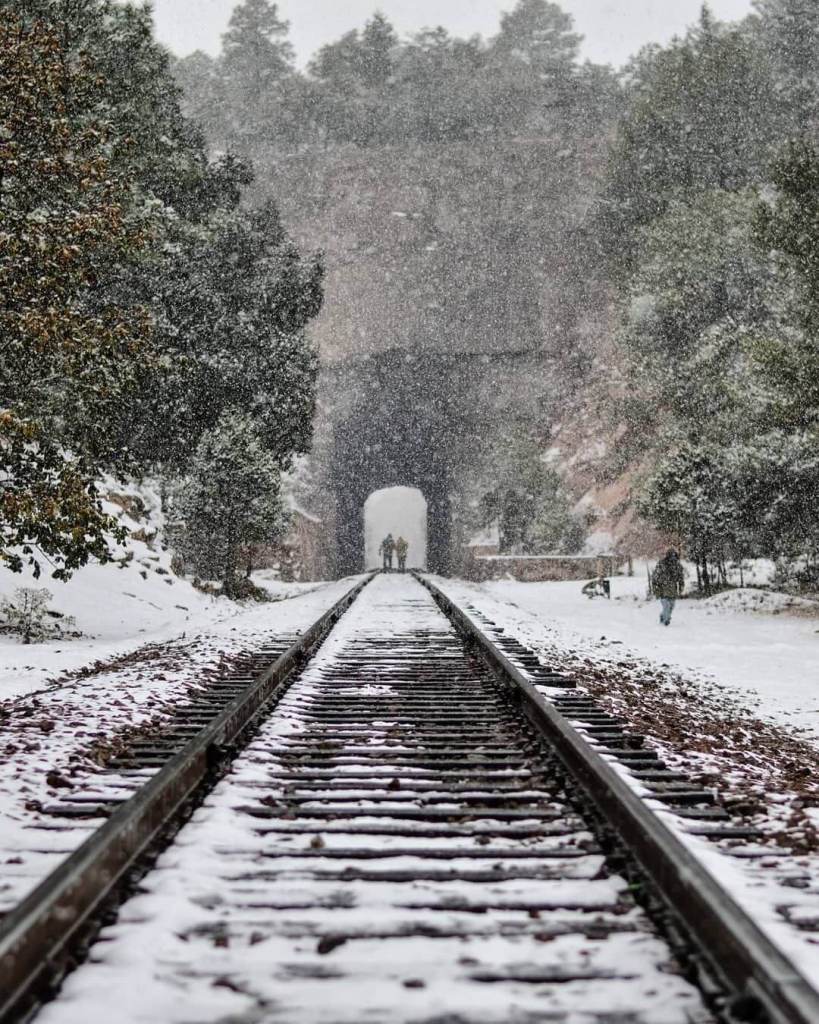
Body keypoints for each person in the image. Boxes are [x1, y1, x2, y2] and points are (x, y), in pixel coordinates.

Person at [651, 549, 684, 626]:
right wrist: (656, 590)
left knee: (671, 607)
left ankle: (663, 616)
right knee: (666, 606)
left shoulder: (678, 566)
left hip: (673, 591)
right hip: (663, 590)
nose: (673, 558)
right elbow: (655, 578)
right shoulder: (661, 564)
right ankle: (666, 620)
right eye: (671, 556)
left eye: (674, 556)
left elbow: (681, 578)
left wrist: (681, 588)